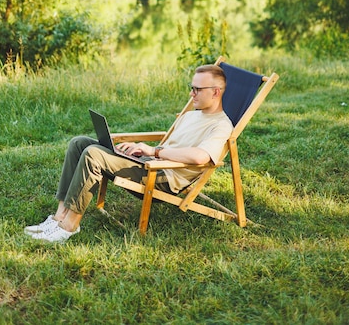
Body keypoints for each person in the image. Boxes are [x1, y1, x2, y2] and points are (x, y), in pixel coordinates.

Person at [24, 64, 233, 242]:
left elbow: (201, 157)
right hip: (149, 162)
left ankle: (69, 226)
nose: (191, 94)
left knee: (92, 155)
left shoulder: (221, 126)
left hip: (162, 176)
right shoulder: (192, 115)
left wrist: (153, 151)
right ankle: (59, 216)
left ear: (215, 92)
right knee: (78, 143)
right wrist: (139, 150)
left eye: (197, 89)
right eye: (191, 88)